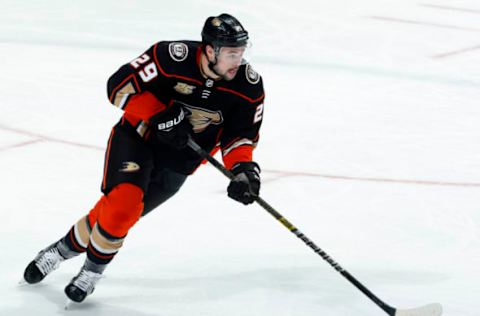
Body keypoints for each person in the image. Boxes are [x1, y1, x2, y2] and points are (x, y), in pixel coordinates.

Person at [23, 13, 265, 303]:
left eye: (241, 52)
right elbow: (117, 87)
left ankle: (60, 250)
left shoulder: (248, 86)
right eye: (231, 53)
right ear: (210, 50)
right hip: (138, 140)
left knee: (116, 217)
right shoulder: (170, 57)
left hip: (181, 162)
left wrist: (244, 171)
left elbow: (240, 136)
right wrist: (160, 115)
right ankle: (92, 272)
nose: (238, 60)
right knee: (124, 205)